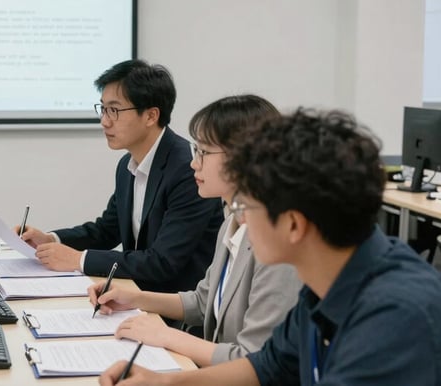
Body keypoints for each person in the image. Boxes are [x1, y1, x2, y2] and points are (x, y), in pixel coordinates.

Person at [99, 109, 441, 386]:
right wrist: (165, 384)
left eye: (244, 205)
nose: (240, 221)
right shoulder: (325, 284)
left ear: (293, 224)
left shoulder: (394, 318)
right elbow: (267, 366)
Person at [88, 95, 301, 367]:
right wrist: (134, 298)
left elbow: (253, 360)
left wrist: (166, 336)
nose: (193, 164)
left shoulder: (278, 245)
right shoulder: (233, 221)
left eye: (203, 152)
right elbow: (202, 302)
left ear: (245, 158)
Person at [18, 59, 224, 293]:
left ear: (150, 116)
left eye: (114, 110)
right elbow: (107, 230)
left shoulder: (187, 169)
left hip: (178, 310)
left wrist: (78, 260)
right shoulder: (128, 164)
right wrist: (52, 240)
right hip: (135, 296)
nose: (104, 121)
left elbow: (163, 262)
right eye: (103, 109)